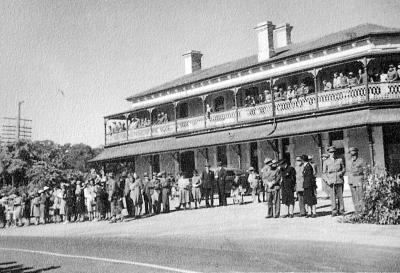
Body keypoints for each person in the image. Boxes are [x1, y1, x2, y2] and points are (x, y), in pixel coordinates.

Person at [324, 146, 346, 216]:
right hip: (331, 180)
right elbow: (324, 173)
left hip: (339, 179)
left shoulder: (339, 160)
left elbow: (344, 169)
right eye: (330, 152)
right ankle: (334, 211)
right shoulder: (326, 162)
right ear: (329, 153)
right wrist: (327, 181)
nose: (332, 153)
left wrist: (341, 173)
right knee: (332, 197)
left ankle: (341, 210)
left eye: (333, 152)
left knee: (340, 196)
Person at [348, 147, 366, 214]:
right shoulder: (349, 162)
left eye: (354, 155)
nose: (353, 156)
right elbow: (349, 171)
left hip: (359, 180)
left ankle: (363, 211)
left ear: (357, 154)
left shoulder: (361, 161)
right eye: (352, 155)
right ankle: (357, 210)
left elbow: (365, 170)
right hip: (352, 181)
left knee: (361, 196)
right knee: (354, 197)